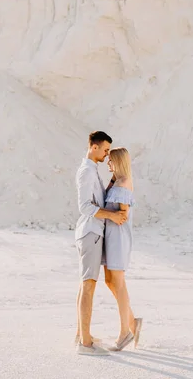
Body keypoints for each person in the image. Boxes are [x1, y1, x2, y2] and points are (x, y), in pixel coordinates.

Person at [75, 131, 127, 356]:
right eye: (105, 150)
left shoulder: (91, 170)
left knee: (85, 284)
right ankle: (85, 344)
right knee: (89, 285)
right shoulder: (86, 171)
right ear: (94, 147)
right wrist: (112, 216)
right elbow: (85, 207)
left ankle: (81, 335)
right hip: (91, 232)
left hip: (92, 233)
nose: (107, 155)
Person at [103, 147, 143, 351]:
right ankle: (133, 323)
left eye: (110, 161)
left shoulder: (123, 184)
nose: (107, 164)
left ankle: (124, 332)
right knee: (110, 281)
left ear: (118, 162)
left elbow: (122, 215)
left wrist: (103, 214)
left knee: (118, 283)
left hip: (118, 240)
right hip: (111, 239)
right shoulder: (117, 182)